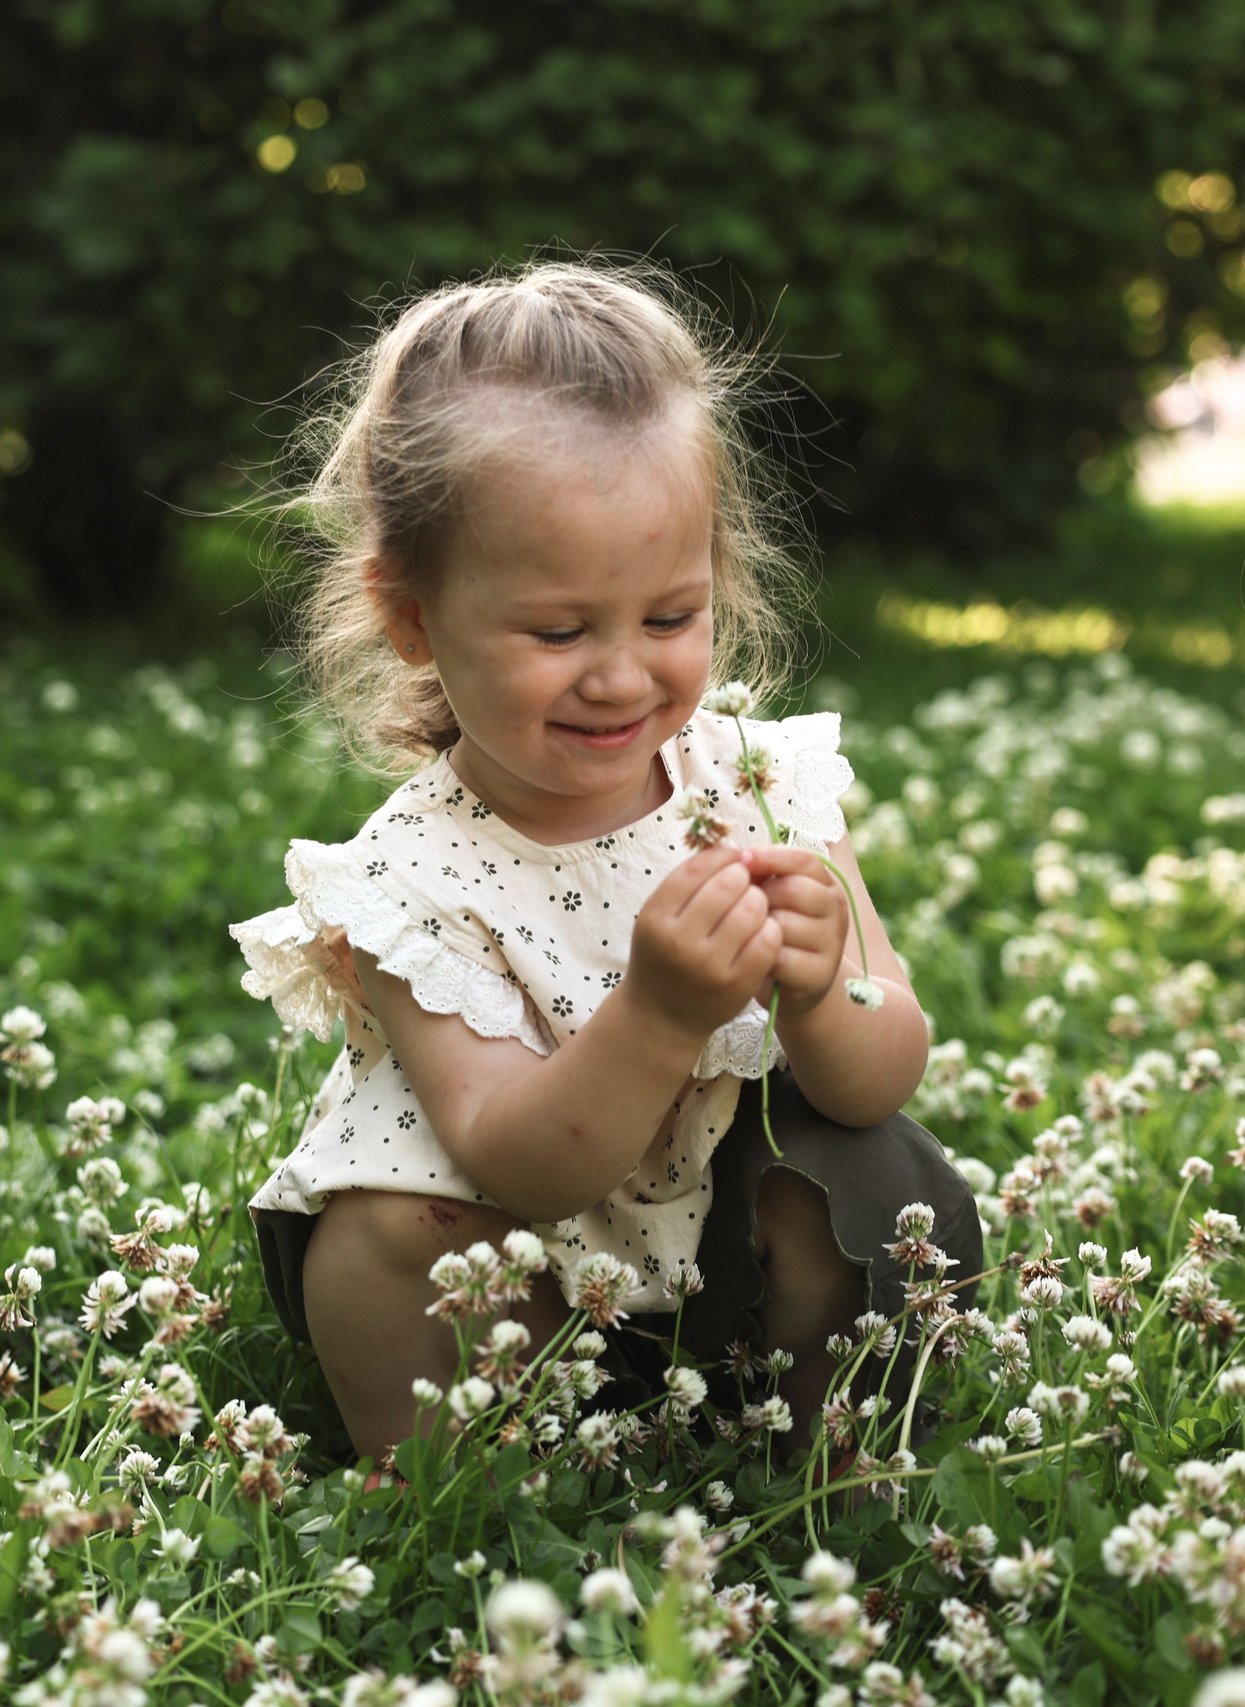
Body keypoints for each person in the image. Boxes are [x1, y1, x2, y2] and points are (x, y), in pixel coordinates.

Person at [229, 261, 979, 1459]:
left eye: (670, 618)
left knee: (880, 1171)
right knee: (382, 1241)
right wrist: (660, 1011)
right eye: (558, 630)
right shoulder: (411, 880)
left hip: (730, 1275)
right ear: (411, 617)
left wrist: (828, 987)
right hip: (522, 1291)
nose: (621, 676)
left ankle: (808, 1452)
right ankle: (460, 1489)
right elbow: (518, 1170)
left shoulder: (760, 784)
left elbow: (876, 1081)